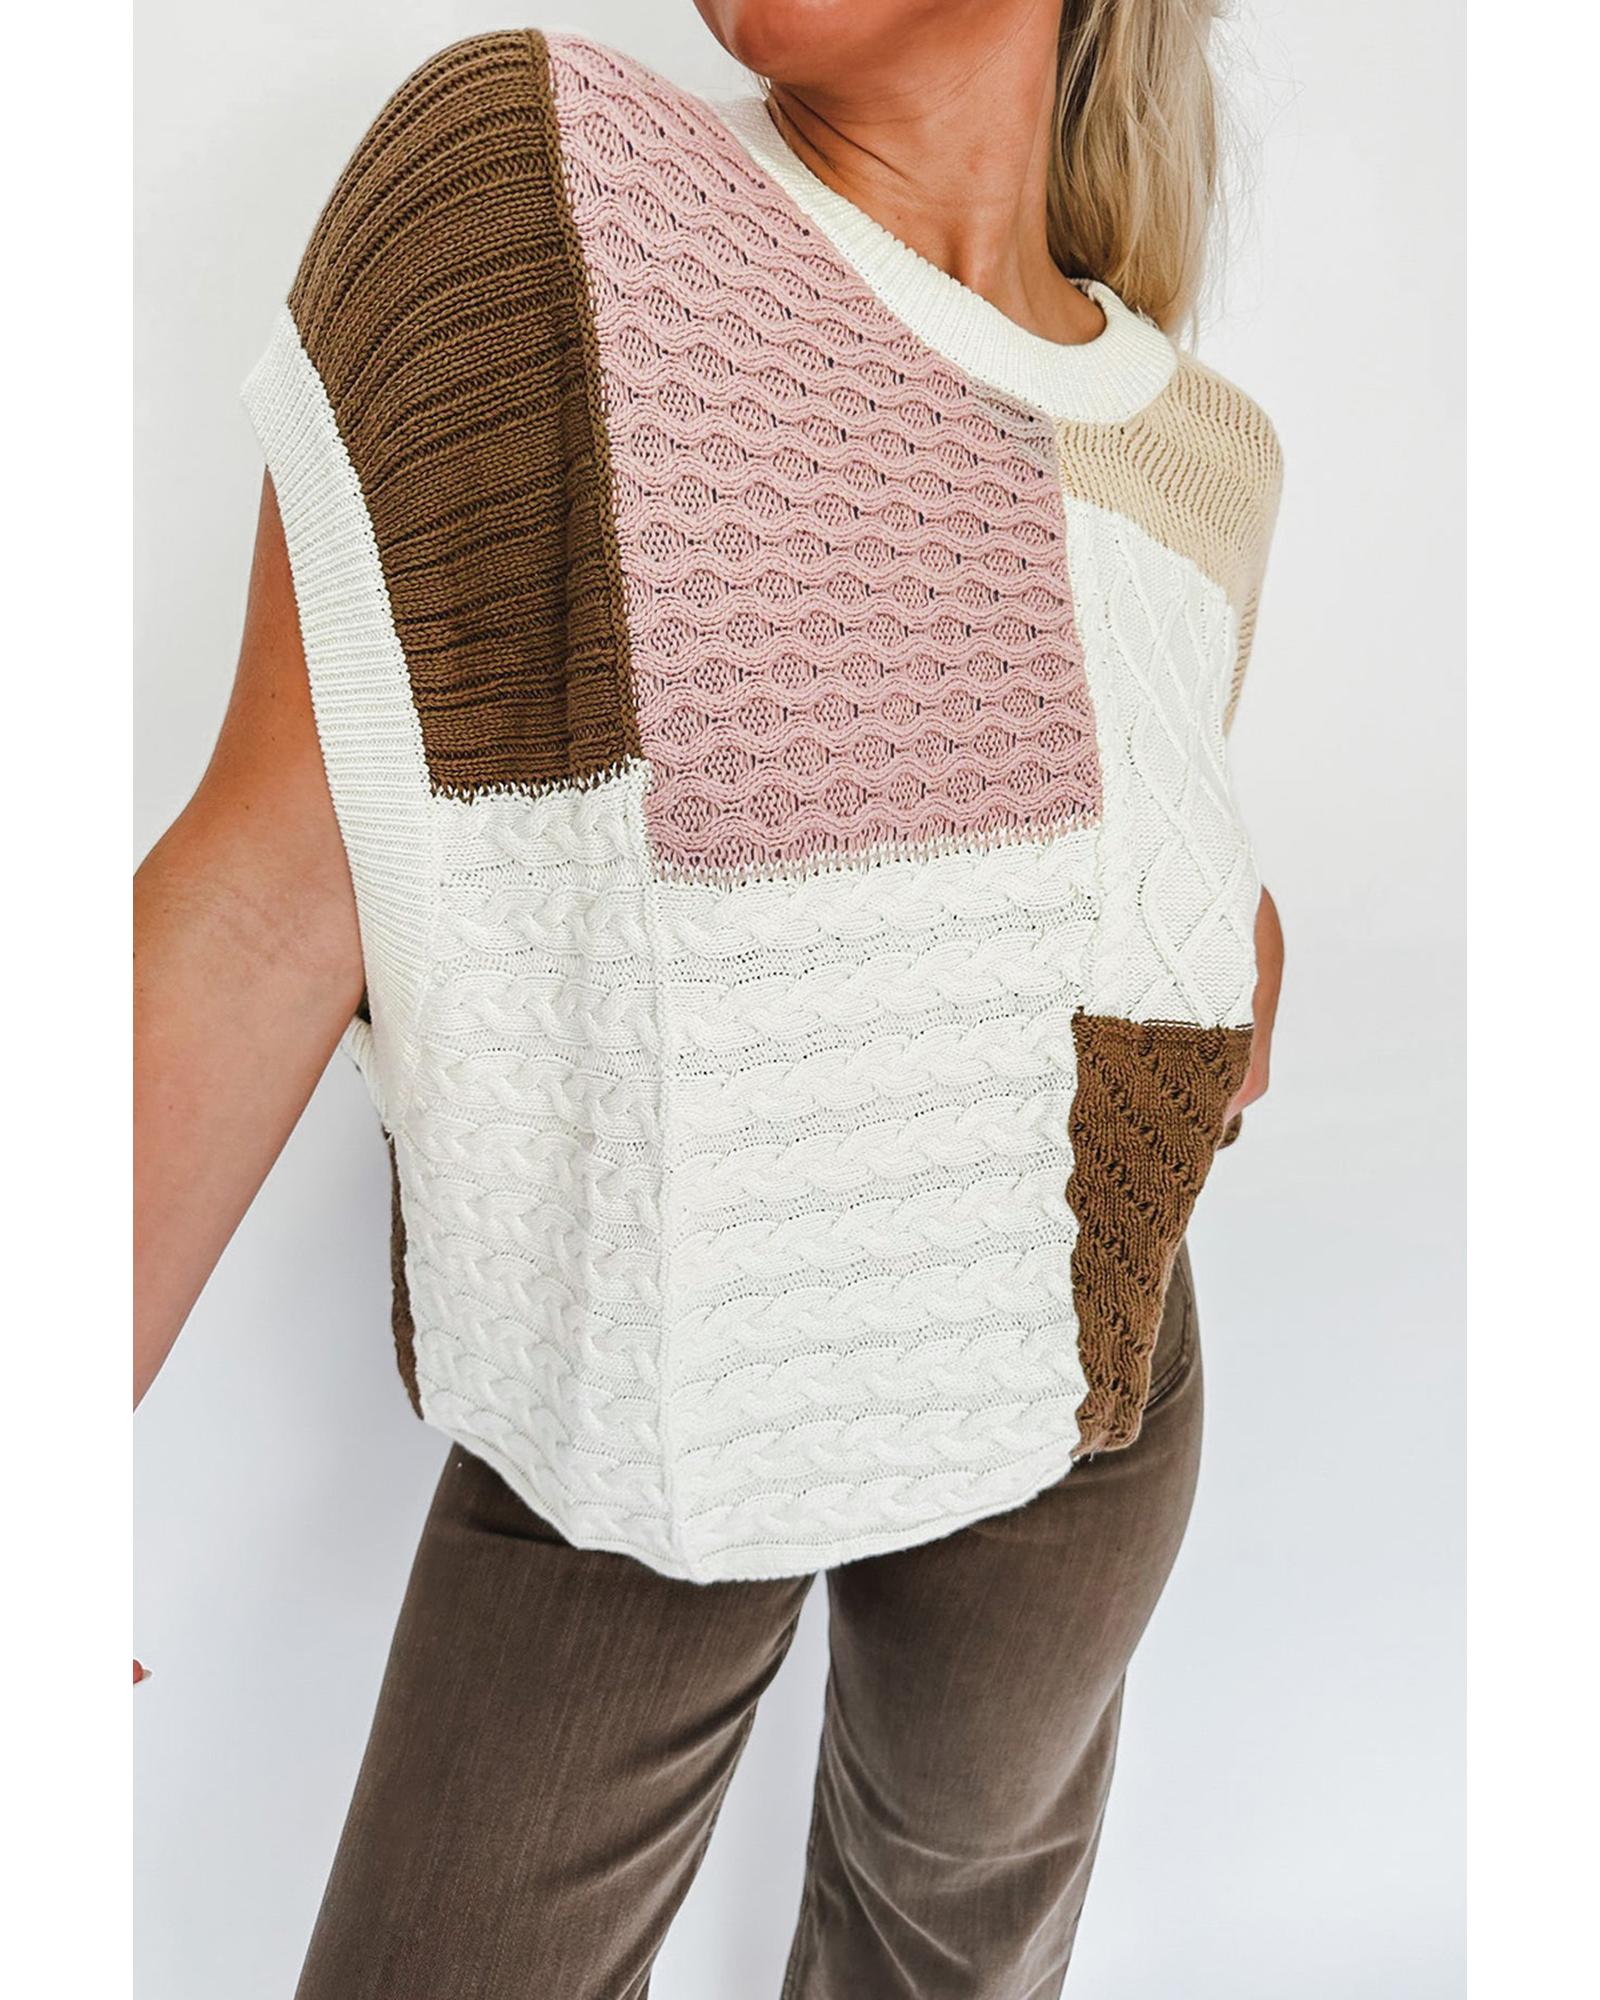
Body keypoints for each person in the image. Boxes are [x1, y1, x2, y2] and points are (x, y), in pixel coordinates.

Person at [134, 2, 1286, 1991]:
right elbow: (262, 898)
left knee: (947, 1944)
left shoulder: (1207, 453)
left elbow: (1110, 857)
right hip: (635, 1381)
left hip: (1080, 1372)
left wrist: (1212, 943)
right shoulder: (545, 199)